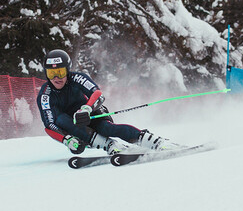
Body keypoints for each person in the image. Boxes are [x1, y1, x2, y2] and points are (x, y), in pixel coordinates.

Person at [36, 49, 176, 155]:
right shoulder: (45, 95)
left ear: (67, 71)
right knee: (61, 119)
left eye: (60, 72)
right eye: (51, 74)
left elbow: (97, 94)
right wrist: (66, 140)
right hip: (74, 127)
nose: (56, 78)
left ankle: (154, 141)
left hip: (92, 114)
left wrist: (87, 109)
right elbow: (49, 125)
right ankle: (109, 145)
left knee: (107, 129)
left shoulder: (77, 78)